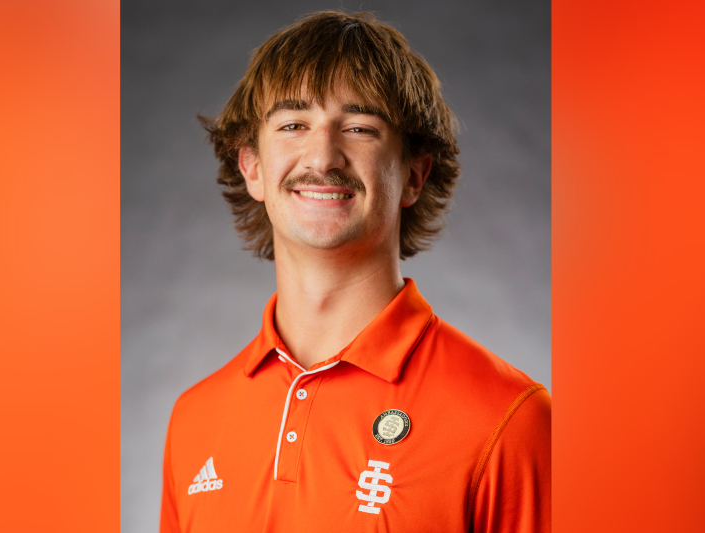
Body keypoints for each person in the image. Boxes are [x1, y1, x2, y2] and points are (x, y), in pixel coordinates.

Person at [160, 10, 550, 533]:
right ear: (251, 167)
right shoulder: (194, 421)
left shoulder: (510, 420)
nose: (323, 155)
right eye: (294, 125)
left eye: (360, 127)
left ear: (414, 174)